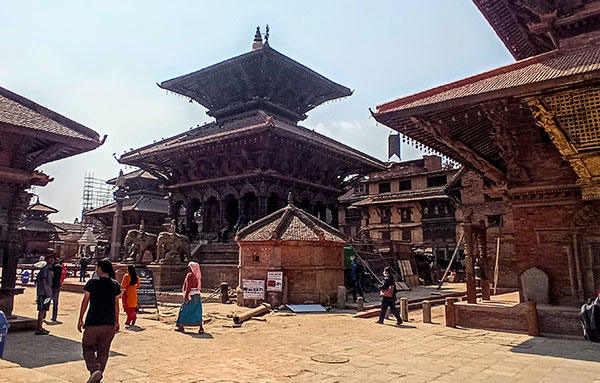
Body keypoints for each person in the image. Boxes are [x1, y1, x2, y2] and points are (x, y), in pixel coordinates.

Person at [77, 259, 121, 383]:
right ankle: (98, 375)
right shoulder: (115, 284)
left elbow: (85, 301)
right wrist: (117, 321)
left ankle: (94, 369)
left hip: (93, 321)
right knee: (103, 350)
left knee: (88, 347)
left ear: (100, 269)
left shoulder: (92, 283)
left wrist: (80, 318)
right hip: (109, 322)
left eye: (97, 267)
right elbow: (116, 304)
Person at [175, 261, 204, 334]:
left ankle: (181, 326)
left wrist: (186, 296)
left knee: (183, 311)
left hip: (190, 295)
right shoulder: (198, 275)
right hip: (197, 295)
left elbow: (188, 286)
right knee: (197, 312)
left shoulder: (189, 275)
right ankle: (201, 327)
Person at [35, 255, 54, 335]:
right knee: (42, 310)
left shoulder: (48, 269)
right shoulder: (45, 269)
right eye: (51, 258)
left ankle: (41, 326)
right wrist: (48, 293)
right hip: (44, 293)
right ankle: (39, 327)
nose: (53, 260)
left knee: (44, 310)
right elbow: (44, 282)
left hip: (46, 293)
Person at [50, 257, 64, 322]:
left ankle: (43, 316)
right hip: (57, 286)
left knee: (46, 301)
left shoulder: (51, 267)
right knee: (55, 303)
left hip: (50, 286)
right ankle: (54, 317)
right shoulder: (60, 267)